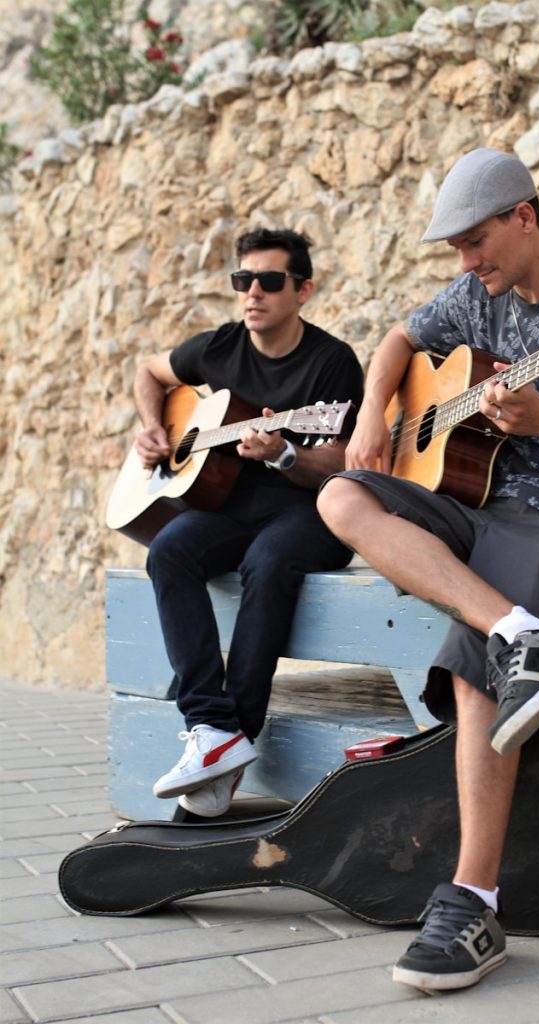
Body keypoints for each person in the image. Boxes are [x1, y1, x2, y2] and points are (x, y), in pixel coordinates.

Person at [316, 148, 539, 992]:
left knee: (477, 678)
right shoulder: (476, 295)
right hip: (481, 502)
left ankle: (471, 902)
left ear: (524, 217)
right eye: (457, 252)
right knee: (341, 500)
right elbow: (399, 338)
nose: (466, 265)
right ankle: (520, 631)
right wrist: (371, 420)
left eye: (474, 243)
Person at [134, 227, 364, 818]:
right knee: (169, 550)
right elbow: (148, 371)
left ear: (303, 290)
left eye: (268, 280)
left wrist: (285, 453)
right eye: (243, 280)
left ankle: (232, 740)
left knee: (269, 561)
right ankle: (210, 729)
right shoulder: (219, 348)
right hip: (232, 508)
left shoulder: (331, 362)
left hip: (309, 510)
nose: (252, 292)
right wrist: (155, 428)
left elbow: (346, 461)